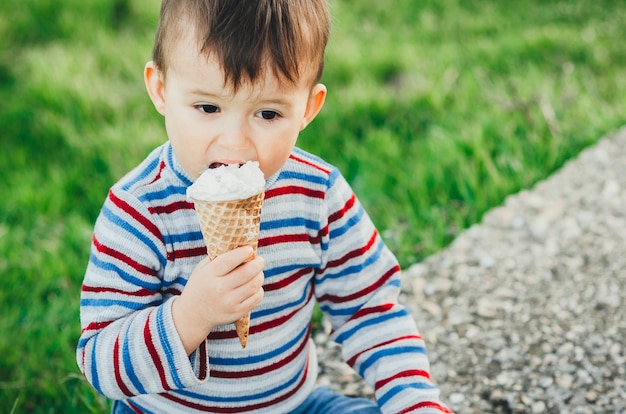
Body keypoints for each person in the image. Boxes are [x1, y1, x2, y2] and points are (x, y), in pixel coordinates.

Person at [76, 1, 451, 413]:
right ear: (161, 90)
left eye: (268, 113)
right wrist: (189, 316)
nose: (235, 143)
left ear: (307, 108)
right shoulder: (139, 210)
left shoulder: (318, 193)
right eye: (208, 108)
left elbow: (370, 307)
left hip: (293, 406)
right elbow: (100, 365)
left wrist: (414, 401)